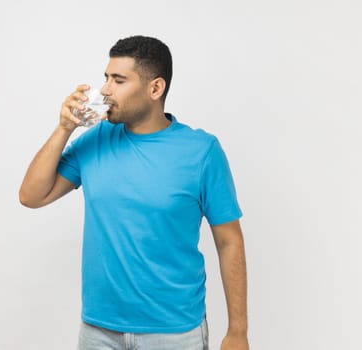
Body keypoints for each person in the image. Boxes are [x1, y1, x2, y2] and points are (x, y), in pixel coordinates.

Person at [19, 35, 249, 350]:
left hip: (174, 334)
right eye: (106, 78)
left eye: (119, 80)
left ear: (155, 89)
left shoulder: (201, 151)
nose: (105, 90)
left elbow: (229, 240)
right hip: (98, 331)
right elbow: (32, 196)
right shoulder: (97, 138)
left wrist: (237, 332)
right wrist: (64, 128)